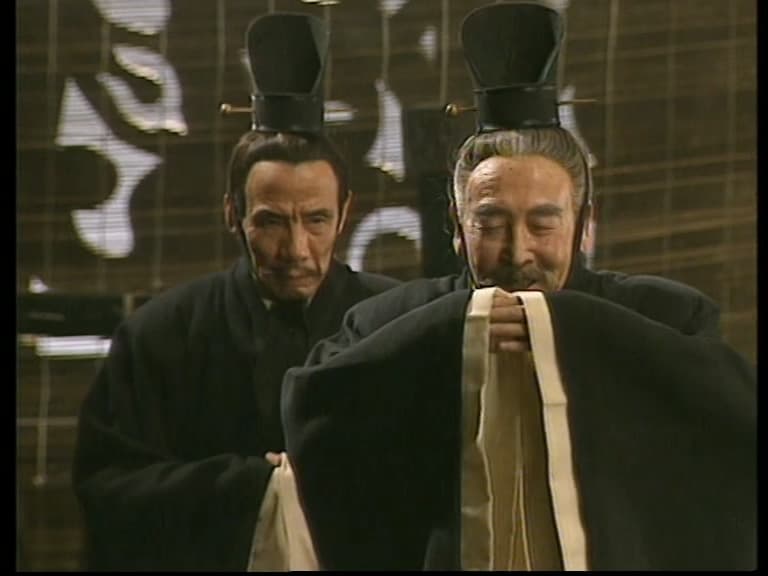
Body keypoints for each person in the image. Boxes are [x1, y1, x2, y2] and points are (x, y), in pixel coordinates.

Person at [280, 2, 756, 571]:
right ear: (457, 228)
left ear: (585, 225)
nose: (517, 252)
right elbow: (313, 406)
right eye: (492, 224)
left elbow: (726, 428)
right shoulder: (391, 321)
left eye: (542, 224)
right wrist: (456, 331)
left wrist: (564, 330)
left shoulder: (665, 316)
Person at [71, 13, 399, 571]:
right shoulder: (162, 335)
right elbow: (109, 488)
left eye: (316, 220)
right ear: (233, 214)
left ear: (345, 214)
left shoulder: (395, 324)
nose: (295, 248)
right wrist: (252, 485)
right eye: (271, 222)